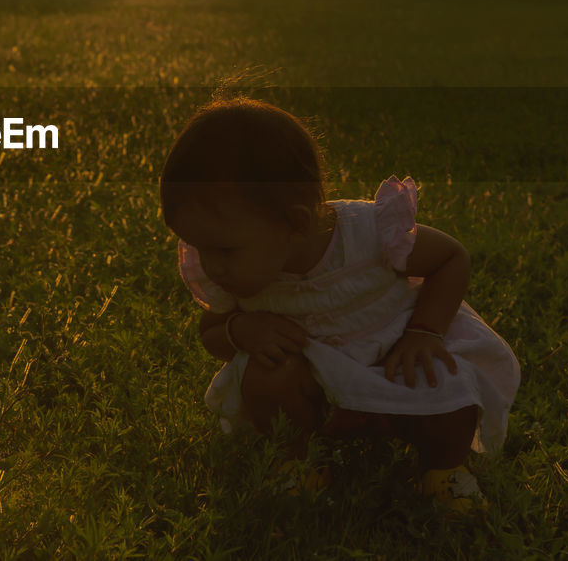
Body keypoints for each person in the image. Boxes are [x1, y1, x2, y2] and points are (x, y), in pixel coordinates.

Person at [160, 96, 521, 512]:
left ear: (295, 224)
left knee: (447, 380)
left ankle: (443, 470)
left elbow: (451, 258)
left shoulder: (371, 234)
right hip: (315, 386)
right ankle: (298, 464)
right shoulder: (231, 271)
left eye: (223, 249)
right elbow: (212, 332)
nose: (210, 264)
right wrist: (239, 331)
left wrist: (424, 331)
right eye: (198, 245)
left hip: (396, 359)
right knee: (266, 373)